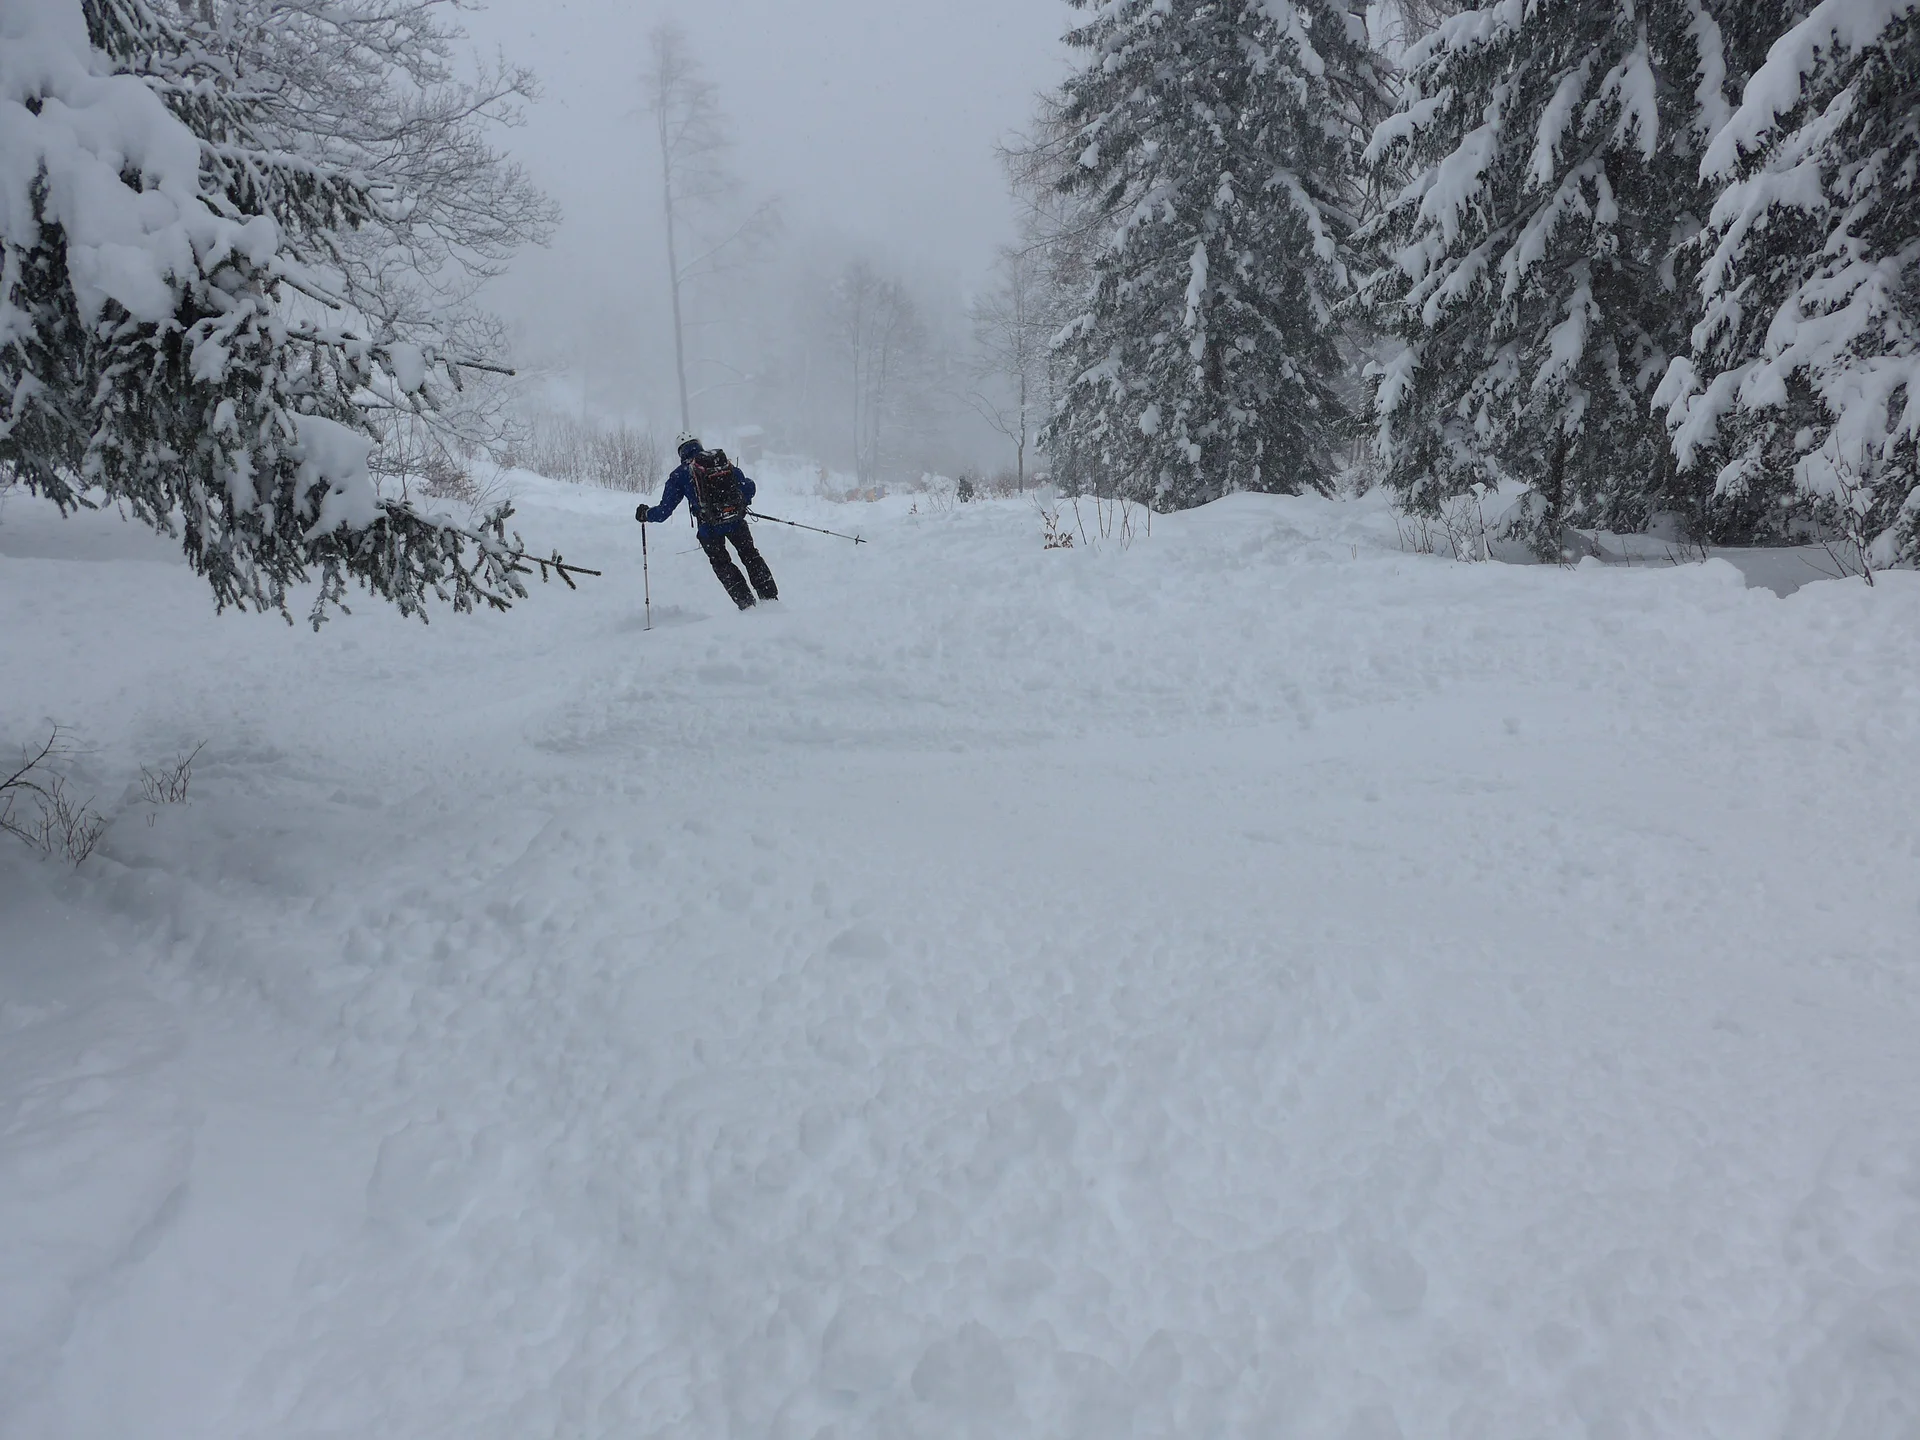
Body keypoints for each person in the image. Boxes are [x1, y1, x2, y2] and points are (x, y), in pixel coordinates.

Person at [637, 433, 780, 610]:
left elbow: (663, 512)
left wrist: (646, 514)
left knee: (722, 565)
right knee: (750, 555)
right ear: (699, 444)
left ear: (680, 452)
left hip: (709, 529)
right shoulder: (721, 463)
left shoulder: (679, 475)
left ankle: (747, 605)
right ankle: (770, 599)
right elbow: (749, 488)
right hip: (736, 521)